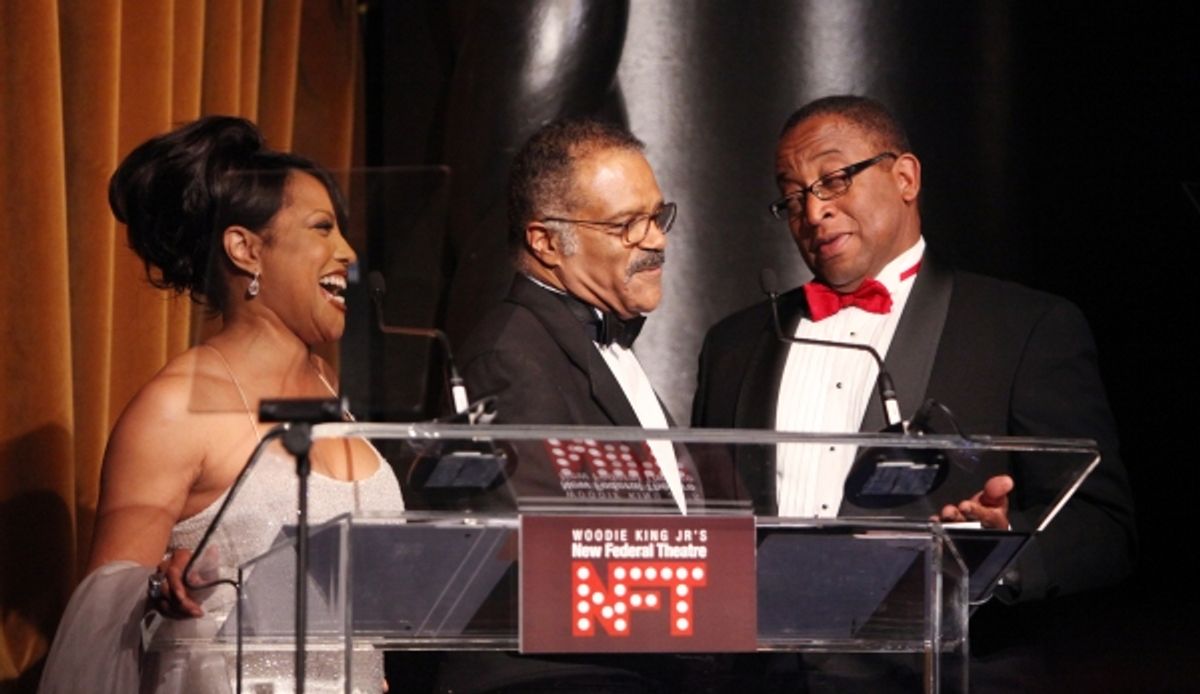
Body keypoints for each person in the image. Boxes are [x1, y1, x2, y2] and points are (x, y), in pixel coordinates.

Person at [692, 95, 1135, 604]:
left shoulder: (1024, 328)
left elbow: (1103, 530)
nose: (813, 212)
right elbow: (704, 521)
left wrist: (1002, 551)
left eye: (834, 180)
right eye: (793, 197)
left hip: (947, 650)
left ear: (905, 178)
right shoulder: (734, 345)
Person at [39, 116, 403, 693]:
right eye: (322, 228)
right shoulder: (173, 407)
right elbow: (101, 614)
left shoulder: (328, 388)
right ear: (245, 249)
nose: (348, 253)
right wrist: (157, 585)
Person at [457, 118, 703, 511]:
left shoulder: (600, 336)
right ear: (547, 243)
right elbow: (535, 535)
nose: (658, 240)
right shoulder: (508, 360)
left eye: (657, 217)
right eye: (628, 224)